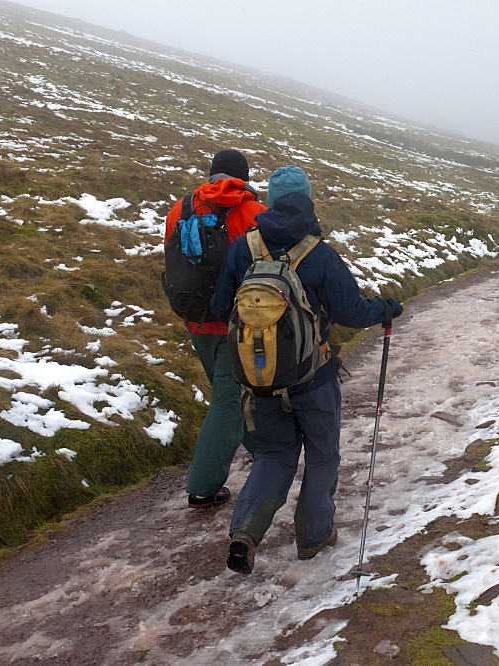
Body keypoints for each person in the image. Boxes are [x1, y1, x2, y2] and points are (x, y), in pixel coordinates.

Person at [211, 165, 402, 574]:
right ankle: (314, 536)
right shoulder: (319, 252)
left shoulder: (243, 248)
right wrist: (385, 307)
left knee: (274, 454)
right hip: (313, 377)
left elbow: (218, 306)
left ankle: (245, 530)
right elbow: (350, 311)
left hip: (259, 378)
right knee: (321, 454)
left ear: (270, 199)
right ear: (307, 199)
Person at [164, 150, 266, 508]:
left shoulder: (181, 208)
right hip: (236, 322)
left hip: (195, 319)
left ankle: (263, 451)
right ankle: (203, 488)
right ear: (243, 176)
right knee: (228, 401)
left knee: (231, 395)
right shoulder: (254, 212)